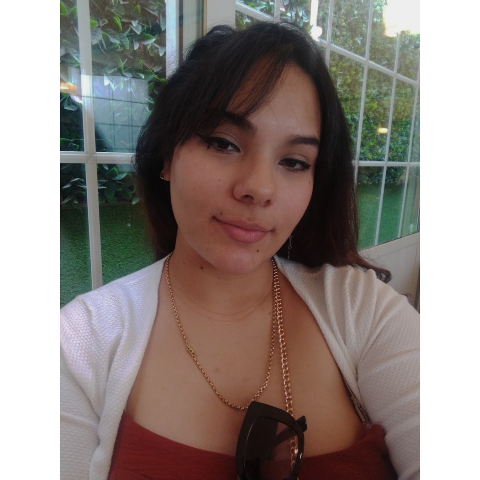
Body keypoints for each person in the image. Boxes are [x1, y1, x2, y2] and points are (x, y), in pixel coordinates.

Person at [61, 22, 419, 480]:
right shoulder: (79, 344)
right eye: (223, 143)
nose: (258, 188)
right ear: (167, 156)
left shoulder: (362, 310)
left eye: (294, 161)